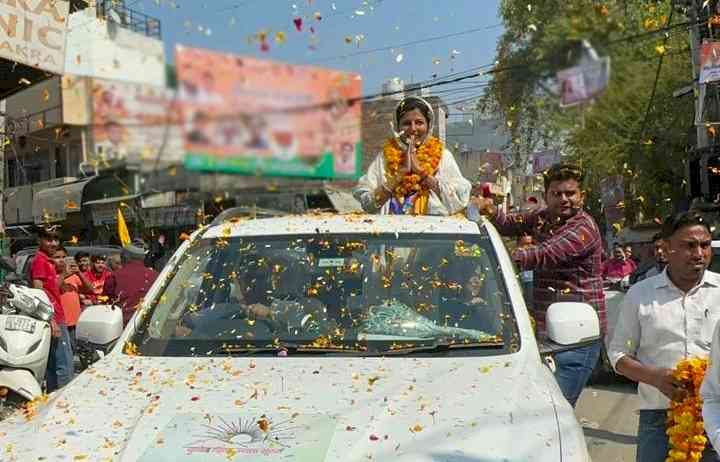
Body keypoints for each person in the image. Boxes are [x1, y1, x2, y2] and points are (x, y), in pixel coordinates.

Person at [467, 163, 605, 407]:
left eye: (570, 193)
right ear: (546, 196)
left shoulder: (583, 227)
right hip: (543, 335)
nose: (564, 199)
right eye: (557, 193)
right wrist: (487, 207)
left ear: (581, 196)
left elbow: (542, 254)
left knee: (553, 411)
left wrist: (482, 258)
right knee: (533, 411)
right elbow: (509, 223)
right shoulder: (542, 218)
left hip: (576, 339)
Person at [609, 211, 719, 462]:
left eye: (704, 245)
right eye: (689, 246)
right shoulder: (640, 294)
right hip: (658, 417)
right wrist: (654, 377)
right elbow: (618, 354)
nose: (699, 254)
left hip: (716, 415)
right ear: (666, 248)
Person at [353, 96, 471, 215]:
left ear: (429, 126)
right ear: (397, 127)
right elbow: (368, 204)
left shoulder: (443, 156)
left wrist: (421, 172)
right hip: (391, 231)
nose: (413, 129)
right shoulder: (384, 158)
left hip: (435, 231)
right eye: (406, 123)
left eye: (419, 123)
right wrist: (399, 174)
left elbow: (460, 200)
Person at [30, 228, 74, 392]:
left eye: (56, 239)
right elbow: (38, 292)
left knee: (55, 363)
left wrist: (62, 273)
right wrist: (51, 320)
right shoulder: (40, 261)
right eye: (49, 239)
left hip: (55, 315)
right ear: (40, 240)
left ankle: (54, 400)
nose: (53, 243)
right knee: (64, 364)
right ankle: (64, 400)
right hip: (52, 316)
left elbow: (52, 288)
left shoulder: (47, 260)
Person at [103, 241, 159, 326]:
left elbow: (107, 300)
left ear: (124, 257)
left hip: (124, 328)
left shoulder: (115, 276)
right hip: (152, 324)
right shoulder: (155, 275)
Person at [53, 246, 93, 352]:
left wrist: (79, 272)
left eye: (64, 257)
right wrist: (64, 275)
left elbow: (90, 289)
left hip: (76, 322)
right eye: (57, 257)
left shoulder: (73, 276)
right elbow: (52, 290)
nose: (61, 260)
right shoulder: (53, 275)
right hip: (61, 323)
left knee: (77, 351)